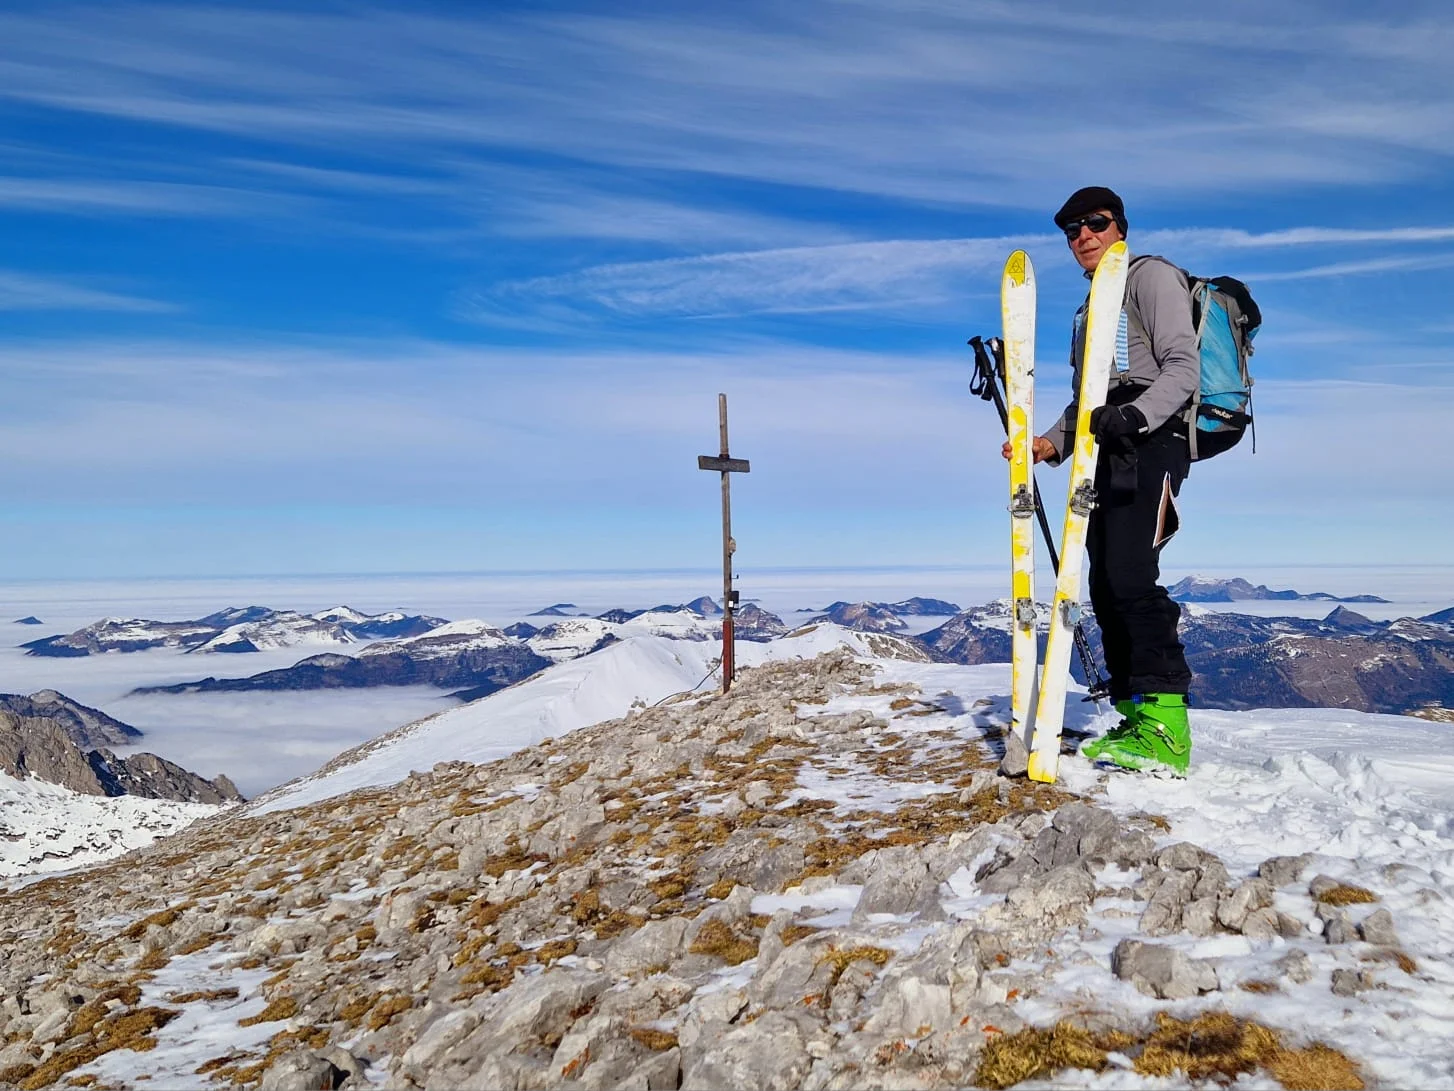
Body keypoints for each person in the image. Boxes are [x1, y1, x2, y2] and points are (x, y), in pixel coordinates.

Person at [1003, 186, 1197, 775]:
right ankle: (1137, 714)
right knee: (1107, 581)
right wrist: (1047, 445)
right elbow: (1087, 400)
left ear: (1120, 228)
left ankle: (1167, 727)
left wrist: (1135, 418)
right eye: (1072, 230)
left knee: (1132, 576)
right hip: (1104, 448)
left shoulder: (1151, 277)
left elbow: (1183, 367)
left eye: (1096, 223)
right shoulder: (1090, 307)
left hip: (1152, 443)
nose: (1083, 236)